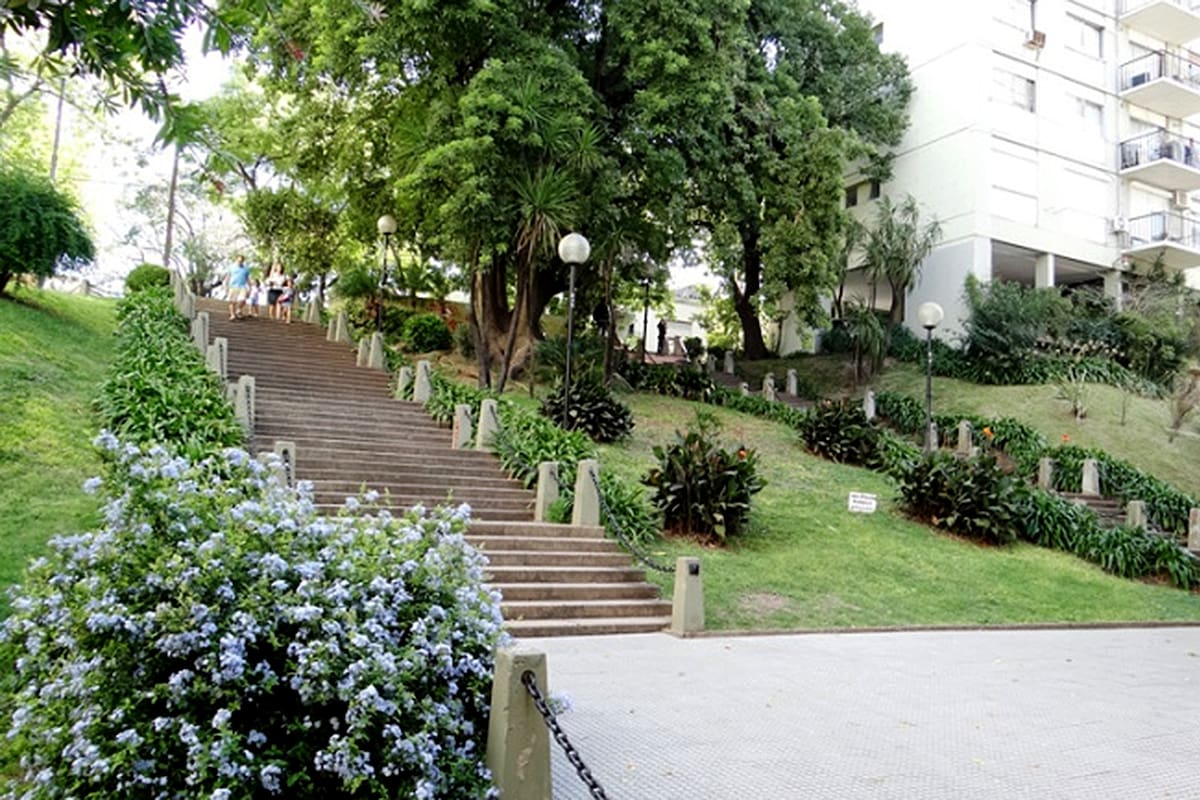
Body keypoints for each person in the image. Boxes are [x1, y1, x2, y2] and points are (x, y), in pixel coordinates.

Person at [225, 255, 251, 320]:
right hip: (233, 286)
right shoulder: (231, 267)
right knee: (232, 301)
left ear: (243, 261)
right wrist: (226, 286)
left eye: (241, 261)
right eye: (239, 261)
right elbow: (228, 277)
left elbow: (247, 278)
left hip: (242, 286)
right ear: (236, 260)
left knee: (243, 300)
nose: (240, 262)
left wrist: (250, 287)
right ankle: (232, 315)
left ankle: (238, 309)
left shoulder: (246, 269)